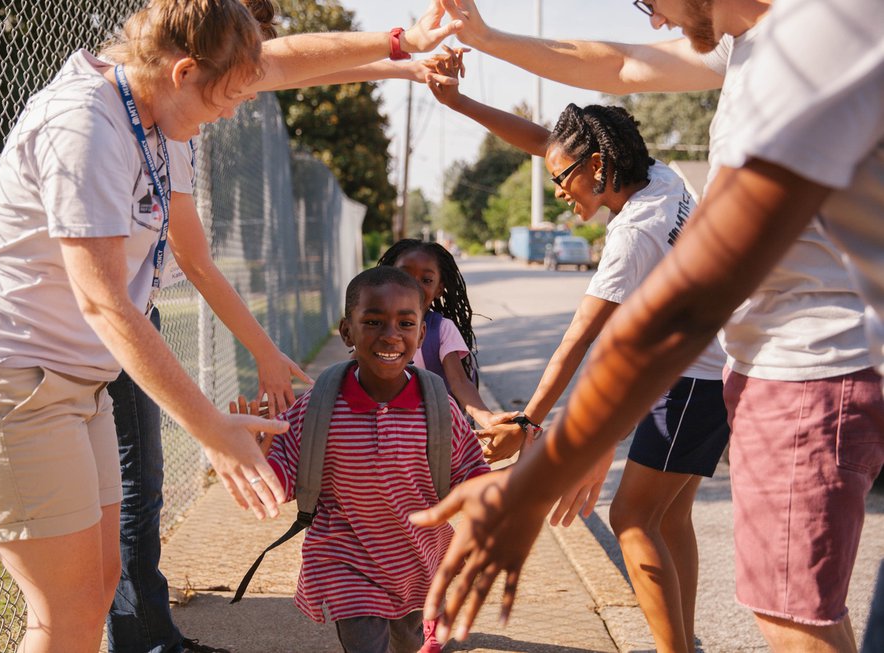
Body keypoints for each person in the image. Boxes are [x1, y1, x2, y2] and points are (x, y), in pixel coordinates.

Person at [0, 0, 463, 649]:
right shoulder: (86, 123)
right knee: (66, 610)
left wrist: (402, 47)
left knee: (99, 588)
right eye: (224, 97)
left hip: (76, 386)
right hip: (18, 385)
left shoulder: (146, 110)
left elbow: (279, 65)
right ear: (185, 71)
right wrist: (214, 430)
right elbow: (104, 302)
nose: (230, 112)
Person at [413, 0, 884, 651]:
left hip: (792, 372)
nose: (652, 17)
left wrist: (536, 457)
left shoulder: (811, 39)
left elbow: (650, 321)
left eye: (648, 1)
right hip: (758, 369)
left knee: (763, 595)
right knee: (731, 562)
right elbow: (608, 68)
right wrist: (481, 54)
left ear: (600, 169)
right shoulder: (664, 165)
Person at [427, 60, 729, 652]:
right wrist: (459, 104)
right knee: (668, 518)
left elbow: (578, 339)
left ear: (598, 165)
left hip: (690, 381)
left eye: (564, 179)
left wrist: (529, 420)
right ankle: (686, 642)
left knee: (632, 521)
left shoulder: (633, 233)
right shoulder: (660, 178)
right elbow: (545, 141)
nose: (560, 191)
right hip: (710, 373)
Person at [244, 266, 489, 653]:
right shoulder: (318, 404)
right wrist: (256, 459)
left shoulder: (437, 406)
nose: (390, 335)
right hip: (345, 560)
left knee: (408, 642)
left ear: (421, 333)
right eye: (373, 322)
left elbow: (472, 473)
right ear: (347, 331)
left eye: (405, 323)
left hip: (417, 561)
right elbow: (283, 479)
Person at [376, 239, 496, 430]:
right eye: (403, 274)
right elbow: (353, 372)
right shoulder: (372, 328)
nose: (413, 285)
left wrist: (488, 419)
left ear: (439, 289)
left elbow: (459, 382)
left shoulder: (442, 329)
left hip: (435, 436)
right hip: (386, 433)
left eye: (426, 280)